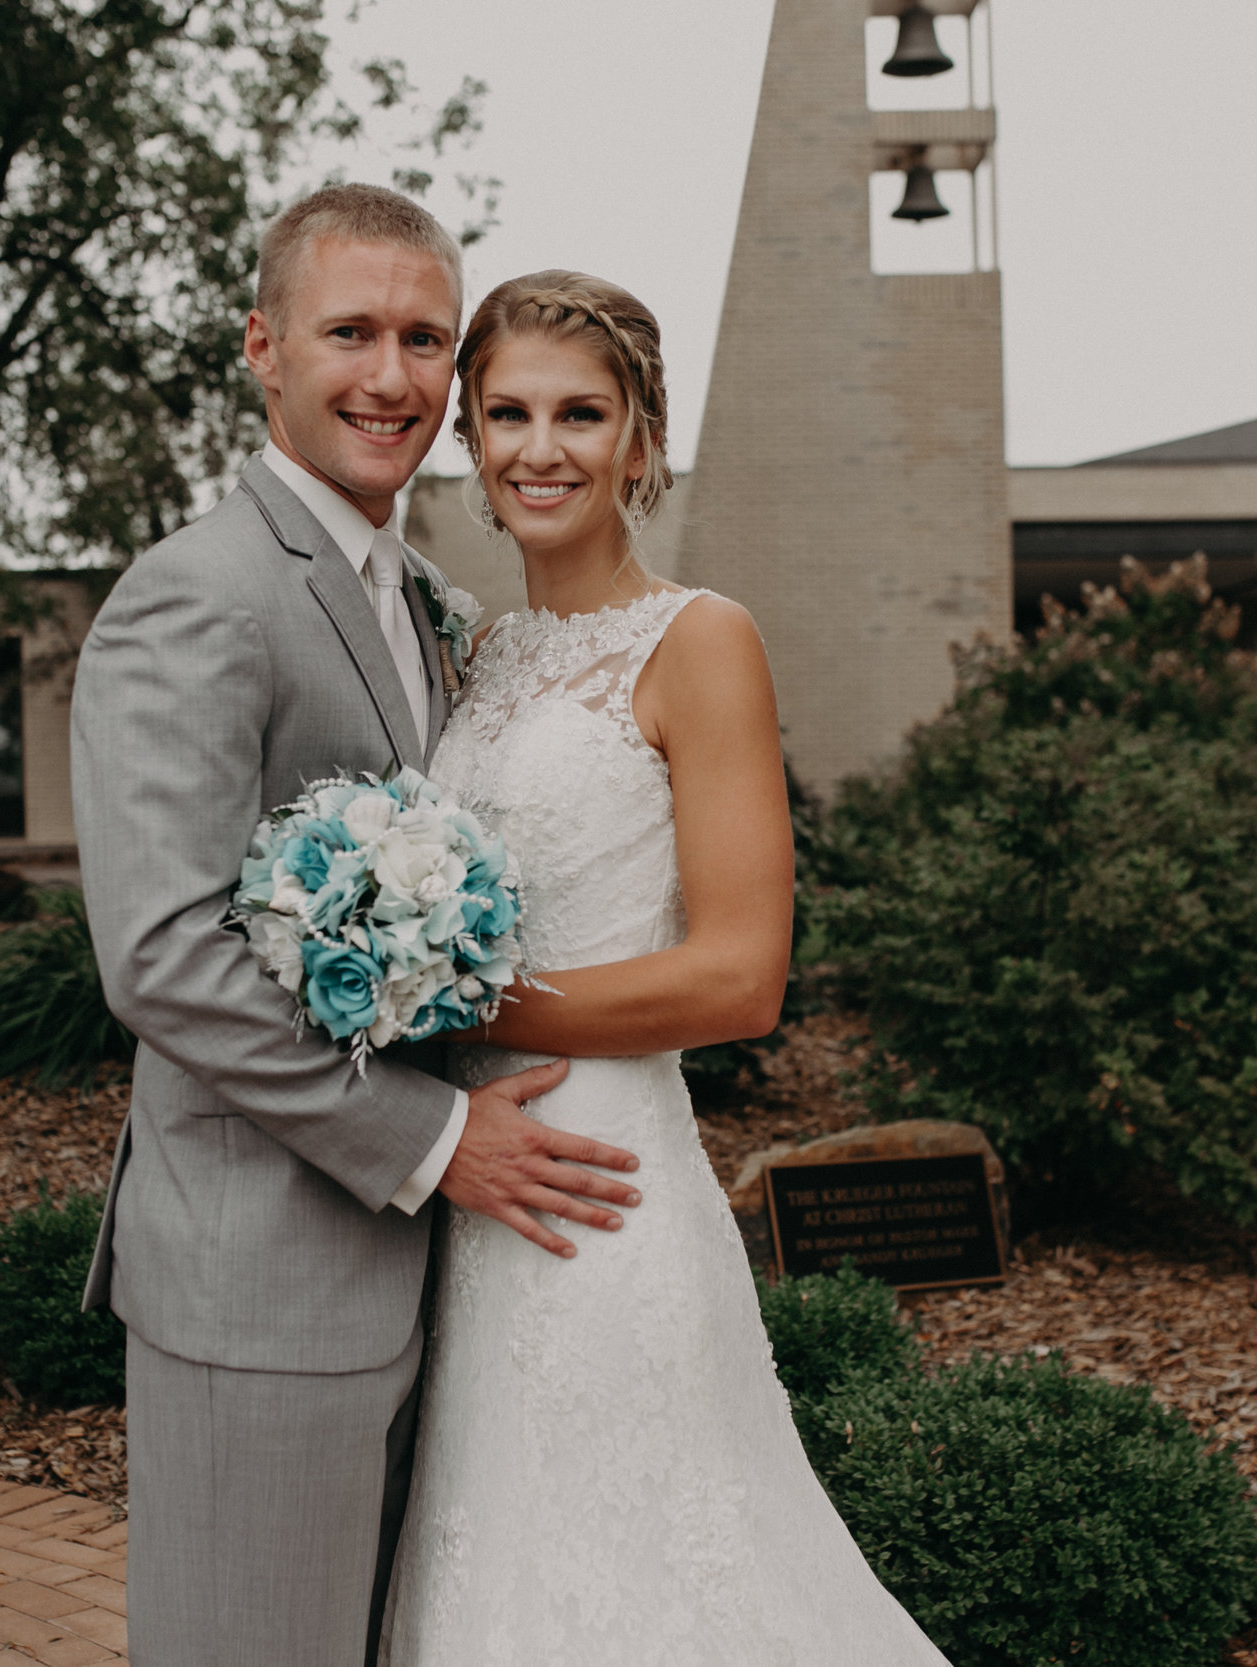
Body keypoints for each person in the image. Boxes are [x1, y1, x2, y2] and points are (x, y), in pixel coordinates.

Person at [70, 188, 645, 1667]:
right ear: (263, 349)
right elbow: (162, 955)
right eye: (349, 333)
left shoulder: (431, 605)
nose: (389, 376)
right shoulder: (199, 598)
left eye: (422, 339)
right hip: (261, 1284)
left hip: (431, 1284)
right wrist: (440, 1141)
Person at [377, 272, 952, 1664]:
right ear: (467, 435)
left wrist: (470, 1005)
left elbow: (742, 979)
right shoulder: (481, 655)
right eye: (506, 412)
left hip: (604, 1180)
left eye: (582, 413)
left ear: (643, 441)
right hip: (464, 1181)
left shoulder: (701, 641)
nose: (541, 447)